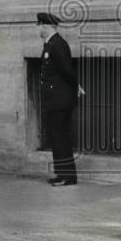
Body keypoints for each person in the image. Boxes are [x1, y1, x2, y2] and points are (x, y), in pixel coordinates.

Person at [38, 12, 84, 186]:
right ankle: (61, 173)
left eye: (39, 25)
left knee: (61, 137)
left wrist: (76, 87)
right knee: (56, 137)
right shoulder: (50, 44)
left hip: (60, 100)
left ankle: (68, 176)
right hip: (54, 100)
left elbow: (67, 70)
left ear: (45, 26)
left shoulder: (58, 45)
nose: (38, 28)